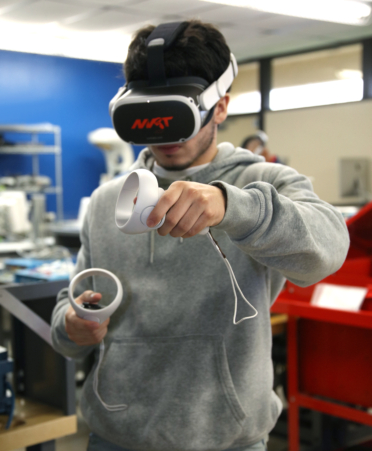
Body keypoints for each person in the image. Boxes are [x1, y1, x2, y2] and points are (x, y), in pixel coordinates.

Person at [51, 20, 349, 451]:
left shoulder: (262, 182)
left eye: (177, 114)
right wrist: (73, 326)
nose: (165, 135)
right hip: (116, 436)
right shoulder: (106, 201)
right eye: (151, 114)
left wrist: (234, 208)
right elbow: (70, 310)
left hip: (226, 439)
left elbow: (327, 251)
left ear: (220, 107)